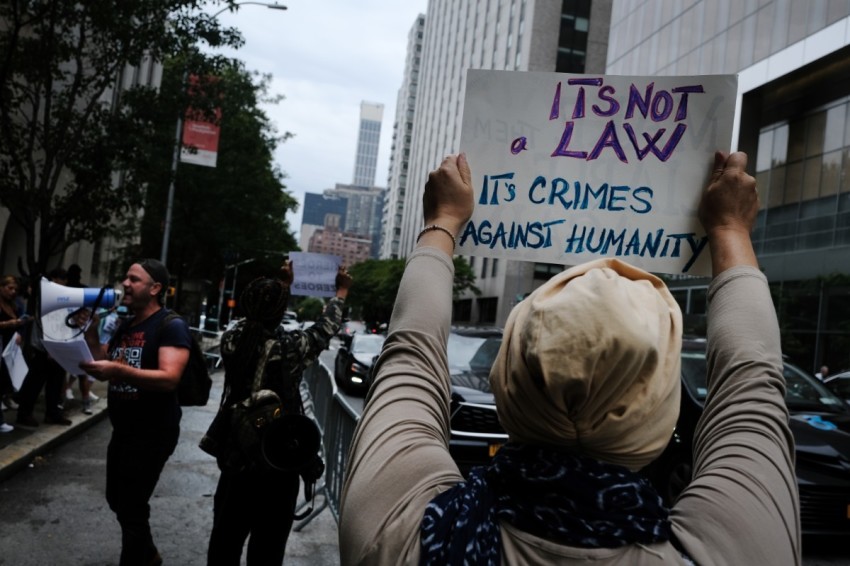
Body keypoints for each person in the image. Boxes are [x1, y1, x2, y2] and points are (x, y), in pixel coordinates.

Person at [338, 152, 801, 565]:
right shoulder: (736, 552)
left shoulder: (399, 535)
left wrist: (442, 221)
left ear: (505, 384)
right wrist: (729, 229)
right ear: (661, 413)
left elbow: (409, 354)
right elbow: (752, 387)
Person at [204, 260, 352, 566]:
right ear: (280, 310)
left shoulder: (232, 341)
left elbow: (257, 320)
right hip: (279, 462)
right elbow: (325, 328)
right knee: (268, 551)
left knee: (225, 542)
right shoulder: (292, 347)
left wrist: (282, 284)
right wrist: (341, 291)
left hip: (237, 460)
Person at [80, 258, 192, 566]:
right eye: (125, 278)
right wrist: (89, 333)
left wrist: (118, 370)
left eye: (135, 279)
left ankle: (137, 560)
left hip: (153, 431)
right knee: (116, 498)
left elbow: (170, 378)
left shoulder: (171, 326)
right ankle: (148, 554)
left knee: (131, 504)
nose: (125, 284)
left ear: (155, 288)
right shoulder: (125, 321)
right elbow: (106, 358)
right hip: (124, 430)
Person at [16, 268, 72, 427]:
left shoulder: (59, 295)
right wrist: (49, 347)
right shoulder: (45, 295)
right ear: (54, 279)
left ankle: (52, 413)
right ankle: (24, 414)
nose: (64, 282)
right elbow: (45, 322)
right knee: (35, 382)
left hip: (56, 346)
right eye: (61, 279)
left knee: (55, 381)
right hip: (44, 347)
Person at [64, 263, 99, 414]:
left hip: (79, 337)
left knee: (82, 372)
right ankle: (67, 400)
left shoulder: (81, 291)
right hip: (68, 336)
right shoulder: (71, 291)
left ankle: (82, 401)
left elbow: (94, 317)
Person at [0, 275, 31, 431]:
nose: (12, 292)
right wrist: (9, 324)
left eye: (15, 289)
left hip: (8, 347)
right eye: (9, 288)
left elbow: (21, 323)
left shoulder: (14, 304)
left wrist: (19, 329)